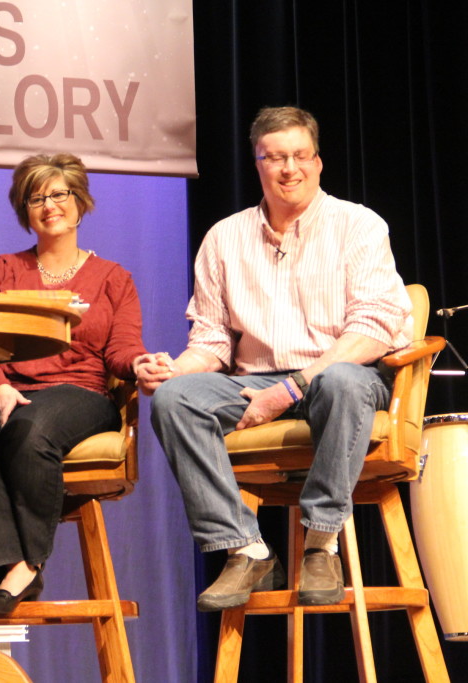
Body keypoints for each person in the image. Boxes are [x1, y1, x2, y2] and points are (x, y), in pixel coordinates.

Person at [138, 106, 412, 611]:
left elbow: (372, 330)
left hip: (338, 376)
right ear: (258, 163)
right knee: (176, 400)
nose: (290, 168)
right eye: (276, 157)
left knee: (345, 383)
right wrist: (174, 369)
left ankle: (321, 541)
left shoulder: (358, 225)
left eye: (299, 156)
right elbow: (214, 339)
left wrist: (291, 388)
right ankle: (246, 548)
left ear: (318, 162)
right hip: (252, 380)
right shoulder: (225, 237)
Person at [0, 153, 147, 614]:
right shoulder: (0, 271)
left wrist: (142, 365)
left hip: (82, 394)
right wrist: (0, 387)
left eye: (58, 194)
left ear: (79, 200)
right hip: (13, 388)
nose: (49, 205)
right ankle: (3, 560)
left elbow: (121, 350)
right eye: (36, 197)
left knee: (30, 430)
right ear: (24, 210)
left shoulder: (113, 277)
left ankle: (29, 562)